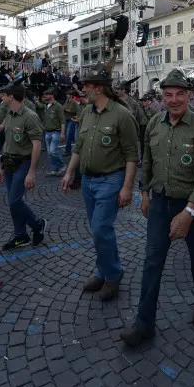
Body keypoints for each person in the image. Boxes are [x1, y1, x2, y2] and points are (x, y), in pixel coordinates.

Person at [119, 69, 194, 347]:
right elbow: (146, 160)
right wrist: (144, 192)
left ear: (189, 95)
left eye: (178, 94)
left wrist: (190, 211)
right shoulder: (153, 125)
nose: (173, 100)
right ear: (163, 97)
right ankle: (144, 323)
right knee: (152, 262)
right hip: (160, 202)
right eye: (168, 95)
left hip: (193, 206)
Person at [60, 56, 139, 301]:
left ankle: (113, 275)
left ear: (97, 88)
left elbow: (132, 155)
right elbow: (79, 147)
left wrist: (127, 187)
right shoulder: (86, 112)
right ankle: (104, 270)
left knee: (101, 228)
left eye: (86, 85)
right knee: (98, 231)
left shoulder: (122, 115)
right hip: (88, 181)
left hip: (110, 180)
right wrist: (70, 172)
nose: (83, 90)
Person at [0, 78, 49, 249]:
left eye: (3, 96)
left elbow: (37, 145)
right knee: (14, 201)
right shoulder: (9, 114)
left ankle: (37, 223)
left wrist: (32, 172)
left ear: (12, 96)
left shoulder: (30, 116)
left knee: (14, 201)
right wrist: (2, 165)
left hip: (24, 163)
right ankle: (20, 235)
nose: (1, 99)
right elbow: (8, 142)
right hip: (10, 162)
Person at [41, 87, 66, 176]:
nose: (45, 96)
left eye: (47, 94)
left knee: (53, 151)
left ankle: (62, 165)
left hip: (56, 132)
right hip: (47, 132)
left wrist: (62, 133)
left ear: (51, 95)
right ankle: (55, 169)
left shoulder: (58, 106)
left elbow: (62, 121)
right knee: (49, 153)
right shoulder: (46, 105)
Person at [63, 90, 81, 156]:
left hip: (72, 120)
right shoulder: (66, 102)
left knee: (68, 135)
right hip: (66, 120)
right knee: (71, 136)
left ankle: (68, 151)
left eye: (67, 94)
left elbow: (78, 111)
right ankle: (78, 145)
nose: (66, 95)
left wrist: (67, 110)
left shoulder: (74, 102)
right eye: (66, 94)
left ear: (71, 95)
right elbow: (63, 108)